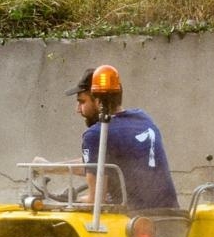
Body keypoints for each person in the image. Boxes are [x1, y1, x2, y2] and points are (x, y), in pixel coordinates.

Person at [71, 64, 178, 209]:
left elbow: (96, 200)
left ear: (98, 101)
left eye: (82, 102)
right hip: (171, 216)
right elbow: (97, 162)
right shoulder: (143, 119)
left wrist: (74, 200)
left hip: (132, 221)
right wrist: (50, 167)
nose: (78, 109)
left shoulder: (96, 134)